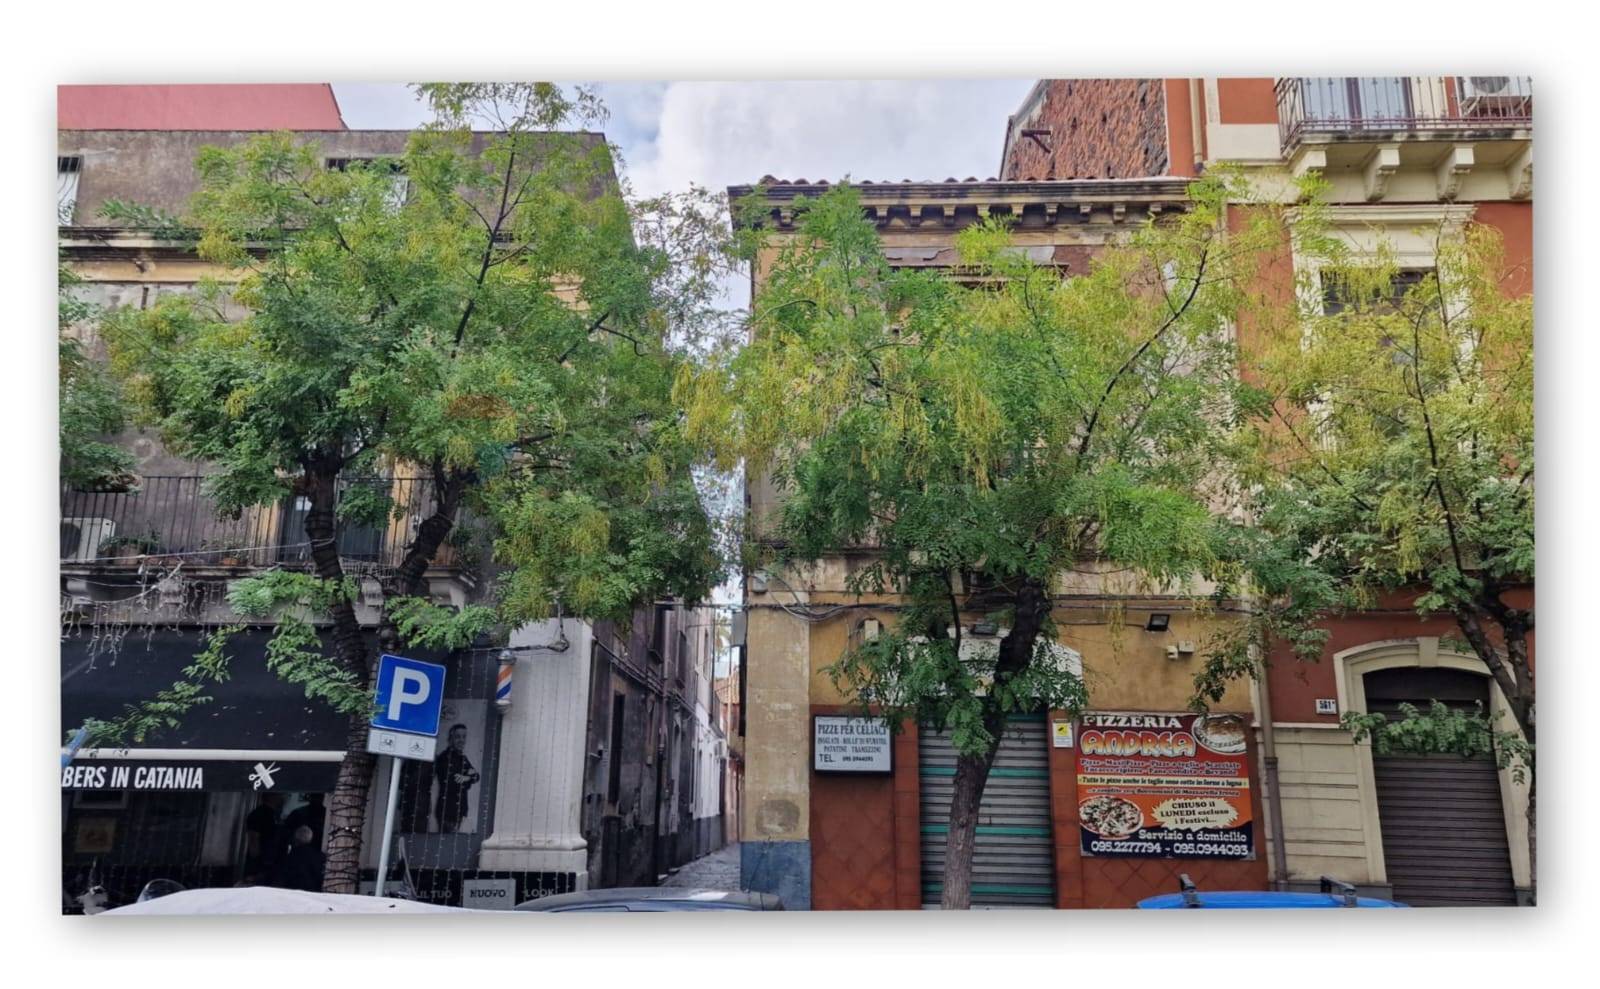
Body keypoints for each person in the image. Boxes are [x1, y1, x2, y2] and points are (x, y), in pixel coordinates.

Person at [433, 723, 480, 833]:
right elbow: (454, 781)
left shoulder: (463, 758)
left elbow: (477, 776)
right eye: (458, 737)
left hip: (461, 811)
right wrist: (468, 777)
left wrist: (467, 778)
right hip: (448, 812)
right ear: (450, 739)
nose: (461, 740)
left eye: (464, 737)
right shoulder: (444, 758)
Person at [242, 792, 284, 884]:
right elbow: (253, 840)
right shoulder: (259, 814)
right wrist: (256, 868)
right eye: (280, 794)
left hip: (270, 864)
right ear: (272, 796)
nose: (282, 797)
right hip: (261, 864)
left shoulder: (274, 815)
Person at [274, 825, 325, 892]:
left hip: (293, 894)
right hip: (313, 895)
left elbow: (281, 879)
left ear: (295, 839)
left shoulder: (290, 857)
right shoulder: (320, 857)